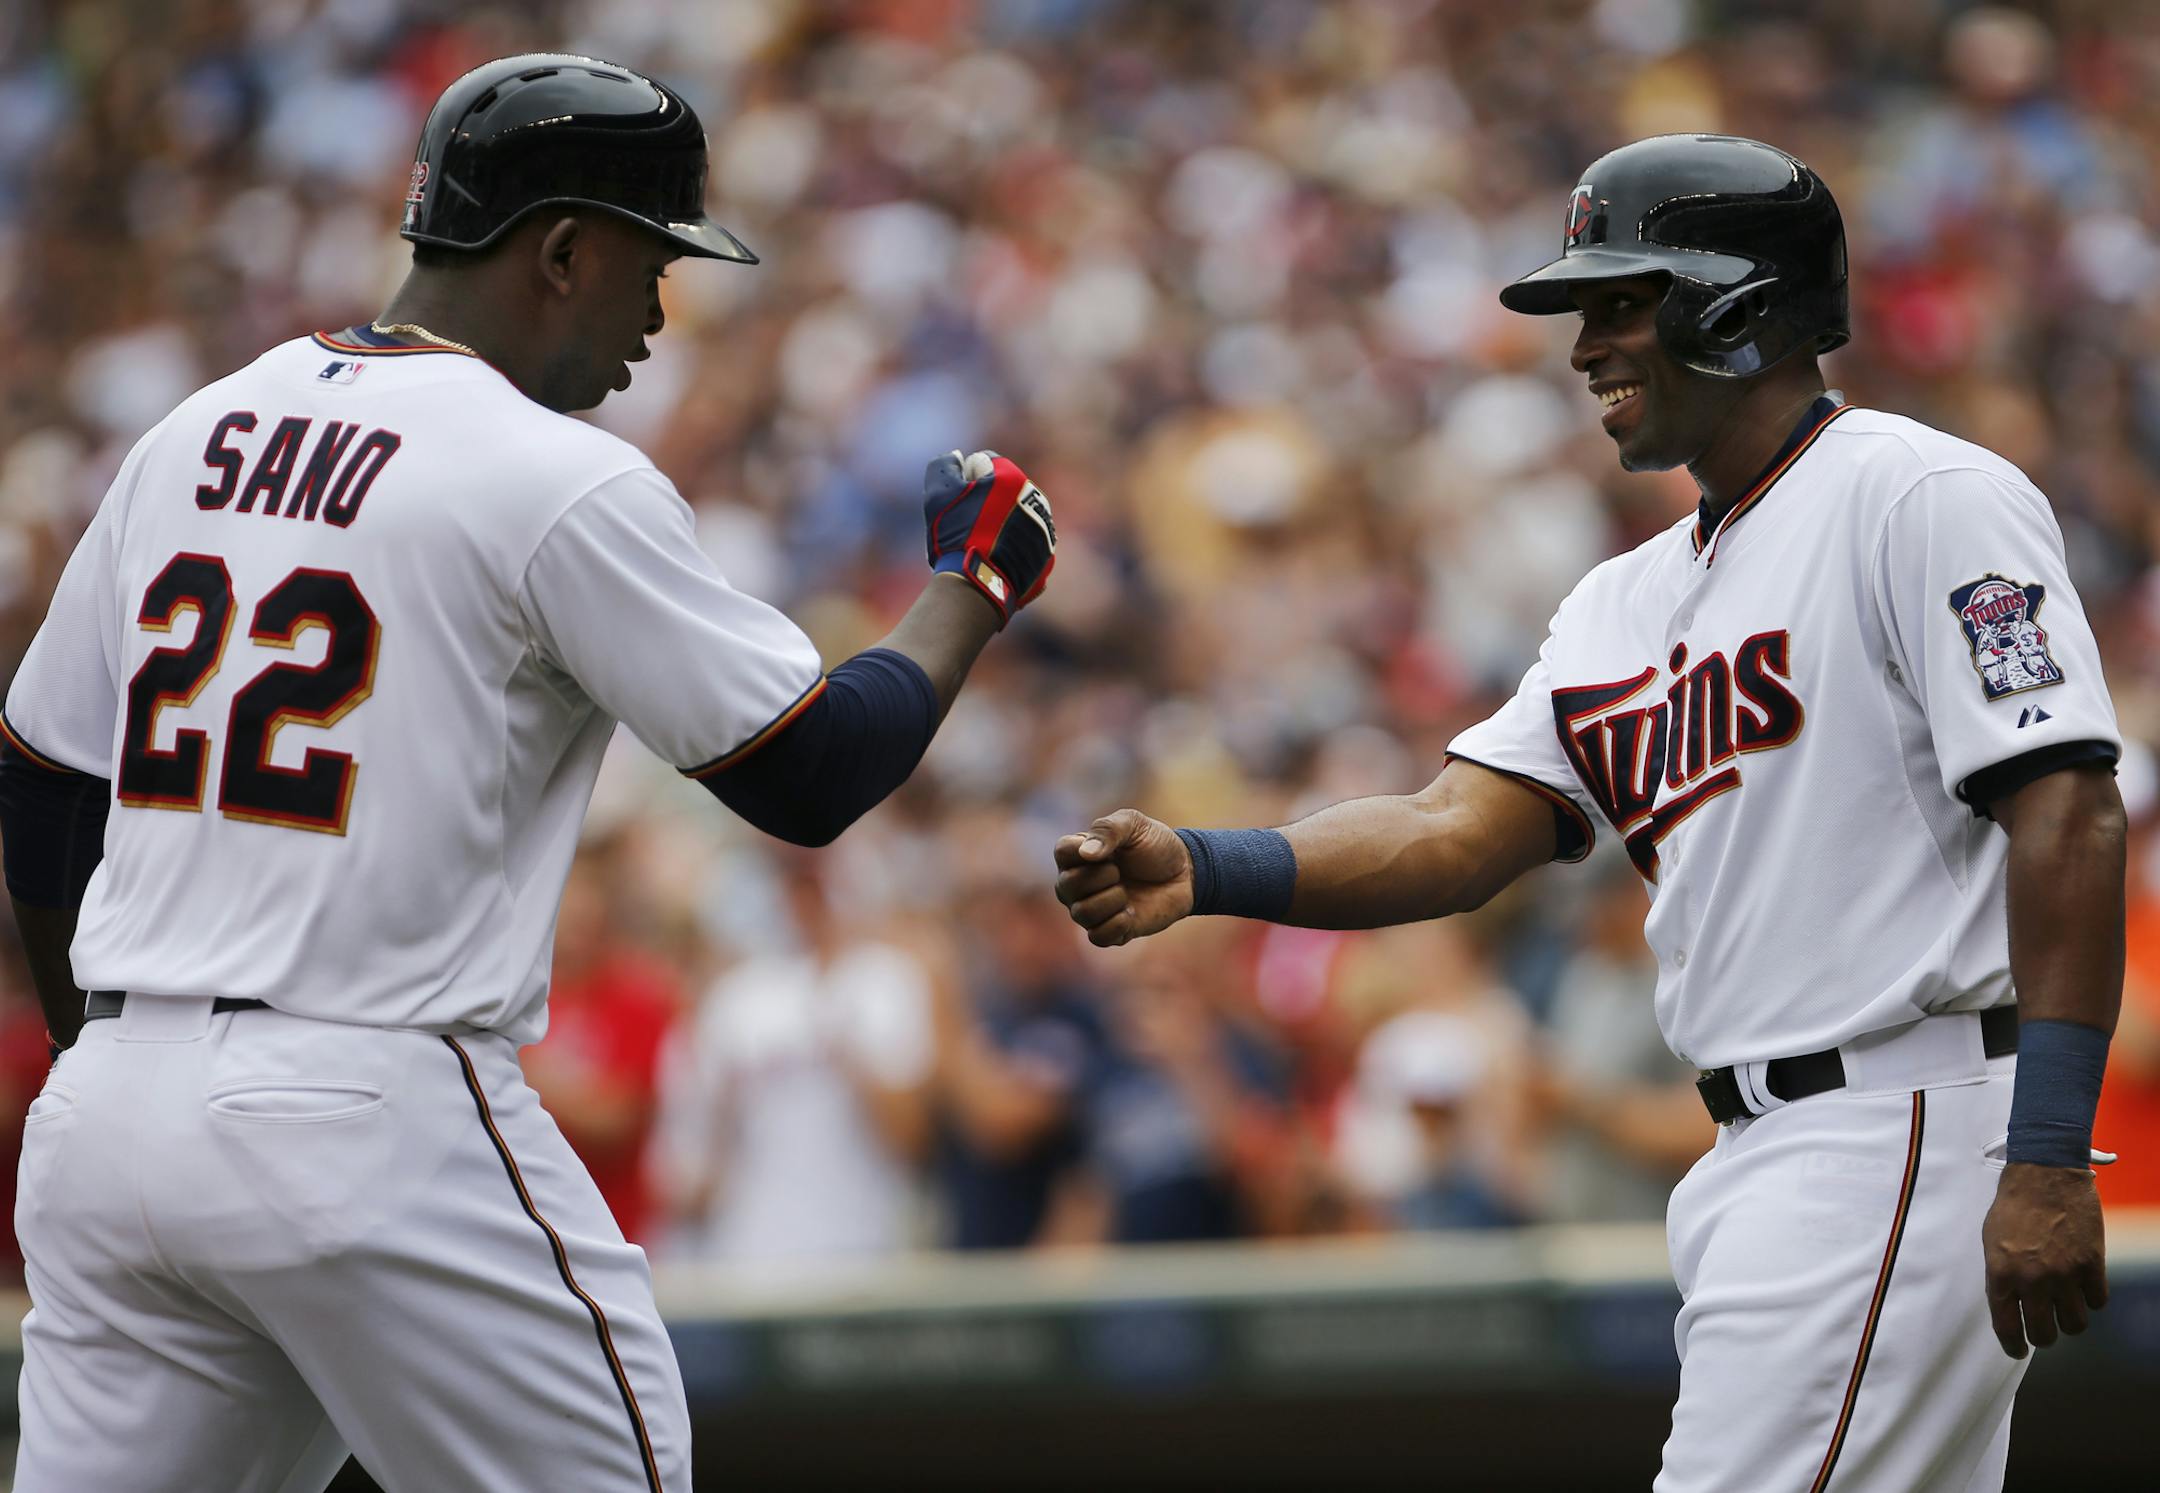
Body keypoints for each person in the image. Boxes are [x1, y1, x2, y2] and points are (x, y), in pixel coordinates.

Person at [0, 54, 1053, 1493]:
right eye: (649, 267)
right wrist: (973, 584)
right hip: (367, 1101)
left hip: (114, 1116)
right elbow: (812, 773)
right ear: (561, 250)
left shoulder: (193, 430)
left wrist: (104, 1052)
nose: (657, 316)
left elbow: (46, 777)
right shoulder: (547, 471)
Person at [1055, 134, 2123, 1492]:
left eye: (1623, 303)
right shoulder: (1621, 601)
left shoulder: (1916, 495)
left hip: (1896, 1122)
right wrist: (1210, 865)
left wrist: (2046, 1148)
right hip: (1768, 1149)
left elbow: (2071, 807)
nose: (1587, 348)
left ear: (1736, 302)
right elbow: (1452, 831)